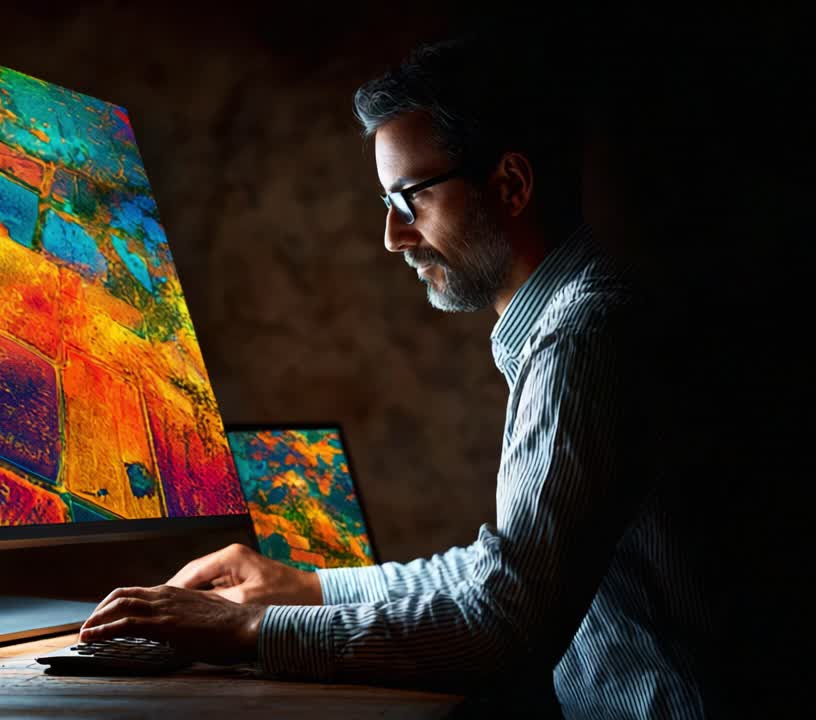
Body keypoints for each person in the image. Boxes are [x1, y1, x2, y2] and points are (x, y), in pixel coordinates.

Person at [79, 32, 745, 719]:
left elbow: (505, 622)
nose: (395, 236)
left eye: (412, 199)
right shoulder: (582, 322)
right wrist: (307, 588)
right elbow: (505, 572)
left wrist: (250, 629)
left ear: (511, 184)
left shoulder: (585, 338)